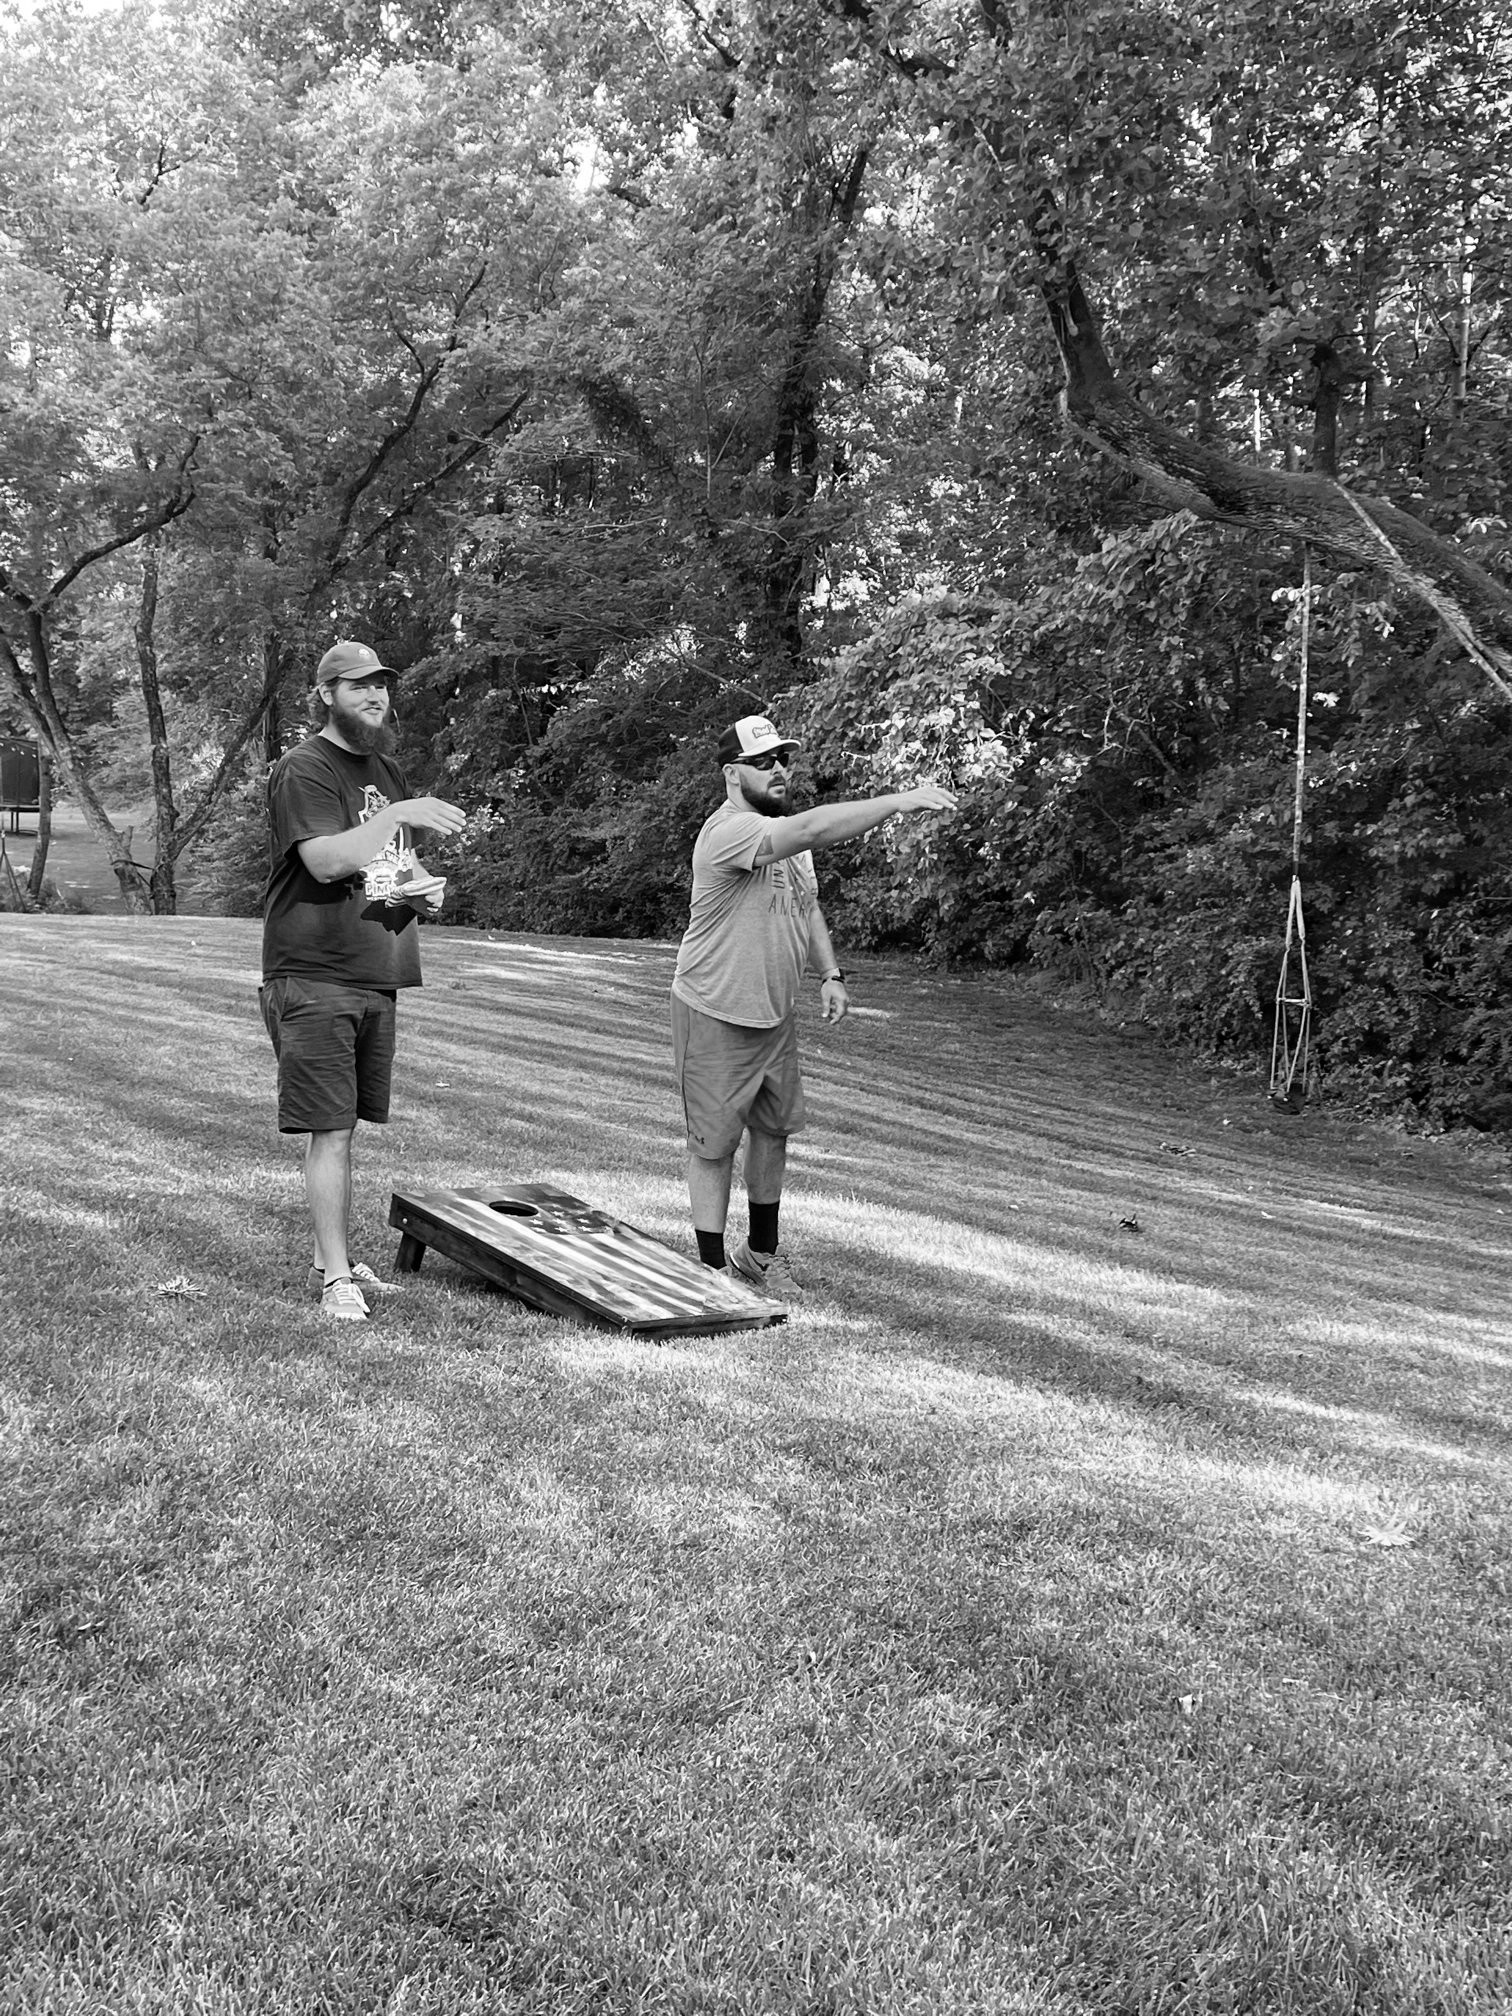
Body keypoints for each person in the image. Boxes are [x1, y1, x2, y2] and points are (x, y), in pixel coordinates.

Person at [671, 714, 957, 1301]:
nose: (779, 769)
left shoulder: (787, 839)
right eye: (763, 761)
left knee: (773, 1134)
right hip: (715, 1010)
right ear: (732, 774)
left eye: (783, 759)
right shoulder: (729, 832)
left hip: (775, 1016)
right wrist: (896, 801)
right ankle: (709, 1271)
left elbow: (806, 907)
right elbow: (810, 832)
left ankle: (760, 1255)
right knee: (716, 1145)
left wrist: (829, 972)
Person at [260, 640, 467, 1321]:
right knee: (331, 1129)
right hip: (315, 972)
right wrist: (395, 817)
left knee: (346, 1125)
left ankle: (334, 1259)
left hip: (374, 970)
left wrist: (416, 894)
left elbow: (381, 870)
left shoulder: (386, 768)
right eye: (358, 687)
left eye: (381, 686)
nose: (375, 697)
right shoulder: (305, 768)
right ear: (327, 694)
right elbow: (322, 862)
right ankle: (333, 1281)